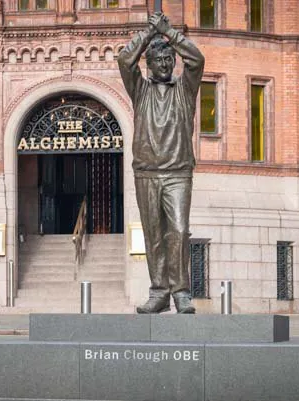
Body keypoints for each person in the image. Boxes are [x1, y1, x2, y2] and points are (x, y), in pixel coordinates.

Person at [118, 12, 204, 314]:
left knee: (178, 231)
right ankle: (159, 292)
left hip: (178, 172)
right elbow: (124, 61)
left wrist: (169, 32)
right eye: (160, 61)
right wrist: (148, 33)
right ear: (149, 65)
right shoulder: (140, 90)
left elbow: (197, 60)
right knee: (153, 235)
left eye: (170, 60)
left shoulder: (185, 90)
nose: (166, 65)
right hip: (146, 173)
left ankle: (181, 292)